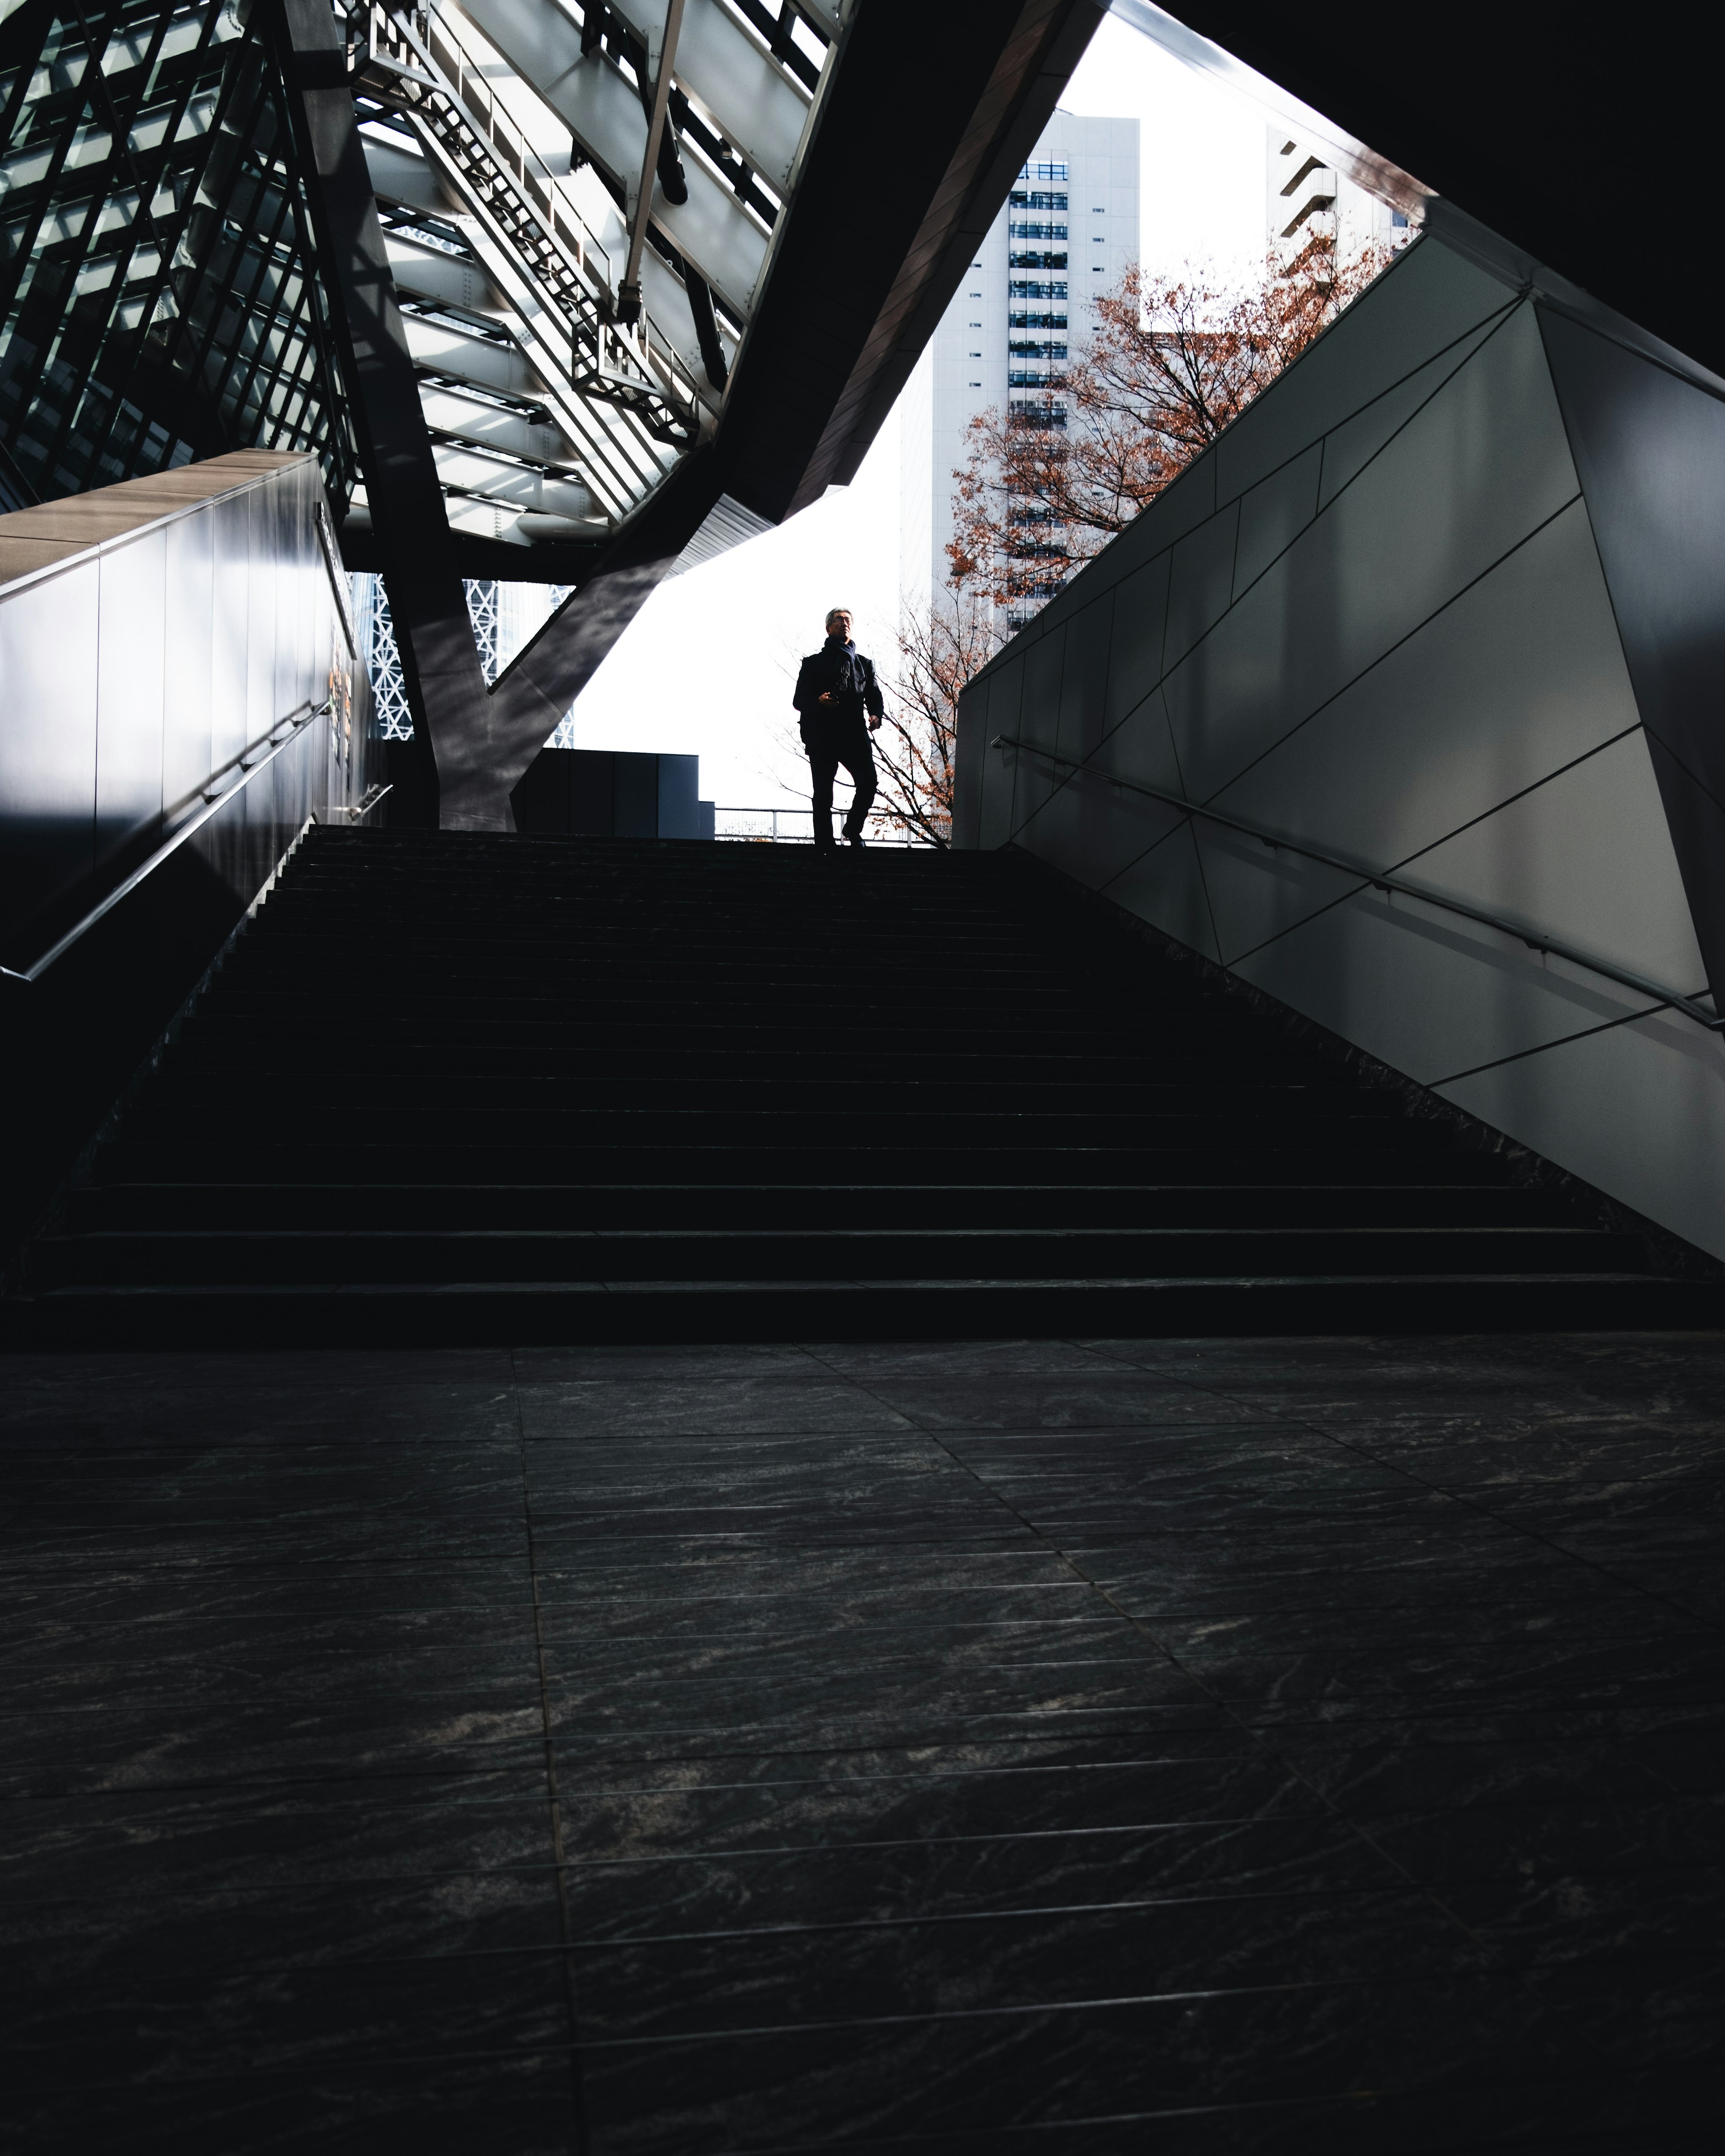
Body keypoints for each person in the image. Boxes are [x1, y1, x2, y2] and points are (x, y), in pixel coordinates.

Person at [793, 607, 884, 849]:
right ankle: (825, 843)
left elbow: (874, 695)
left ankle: (853, 830)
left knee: (869, 782)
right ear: (828, 627)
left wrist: (876, 715)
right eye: (838, 620)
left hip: (854, 734)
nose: (844, 623)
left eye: (848, 620)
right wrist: (819, 702)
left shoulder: (864, 664)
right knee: (824, 791)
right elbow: (799, 701)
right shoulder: (813, 664)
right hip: (822, 735)